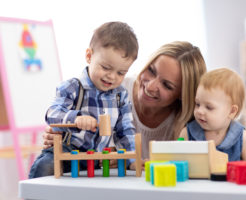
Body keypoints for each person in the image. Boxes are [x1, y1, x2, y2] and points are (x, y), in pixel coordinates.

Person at [42, 41, 207, 167]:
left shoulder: (186, 124)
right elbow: (66, 119)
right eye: (151, 70)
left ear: (182, 95)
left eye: (167, 85)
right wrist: (63, 133)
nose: (150, 86)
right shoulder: (114, 88)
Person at [29, 21, 139, 178]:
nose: (112, 76)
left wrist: (131, 158)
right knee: (46, 167)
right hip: (67, 151)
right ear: (89, 56)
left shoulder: (120, 95)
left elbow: (126, 130)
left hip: (96, 159)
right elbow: (52, 113)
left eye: (121, 73)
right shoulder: (72, 87)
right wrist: (77, 118)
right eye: (106, 68)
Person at [179, 68, 246, 161]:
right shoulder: (187, 133)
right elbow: (178, 167)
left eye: (209, 107)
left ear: (231, 112)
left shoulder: (243, 138)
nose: (200, 111)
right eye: (198, 104)